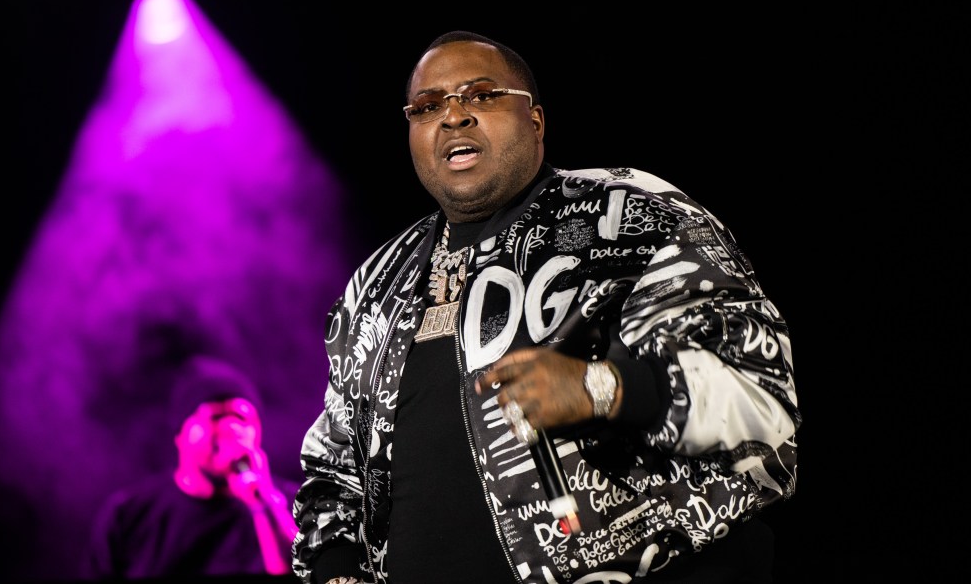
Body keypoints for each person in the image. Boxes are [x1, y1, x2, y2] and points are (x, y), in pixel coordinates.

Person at [291, 31, 799, 584]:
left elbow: (761, 397)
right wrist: (335, 569)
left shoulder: (632, 217)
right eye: (429, 106)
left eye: (482, 95)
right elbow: (334, 470)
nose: (454, 116)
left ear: (535, 120)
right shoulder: (376, 283)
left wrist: (601, 389)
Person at [82, 355, 300, 579]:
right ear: (181, 434)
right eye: (216, 416)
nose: (231, 428)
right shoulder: (129, 515)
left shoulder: (295, 506)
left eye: (242, 417)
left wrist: (263, 504)